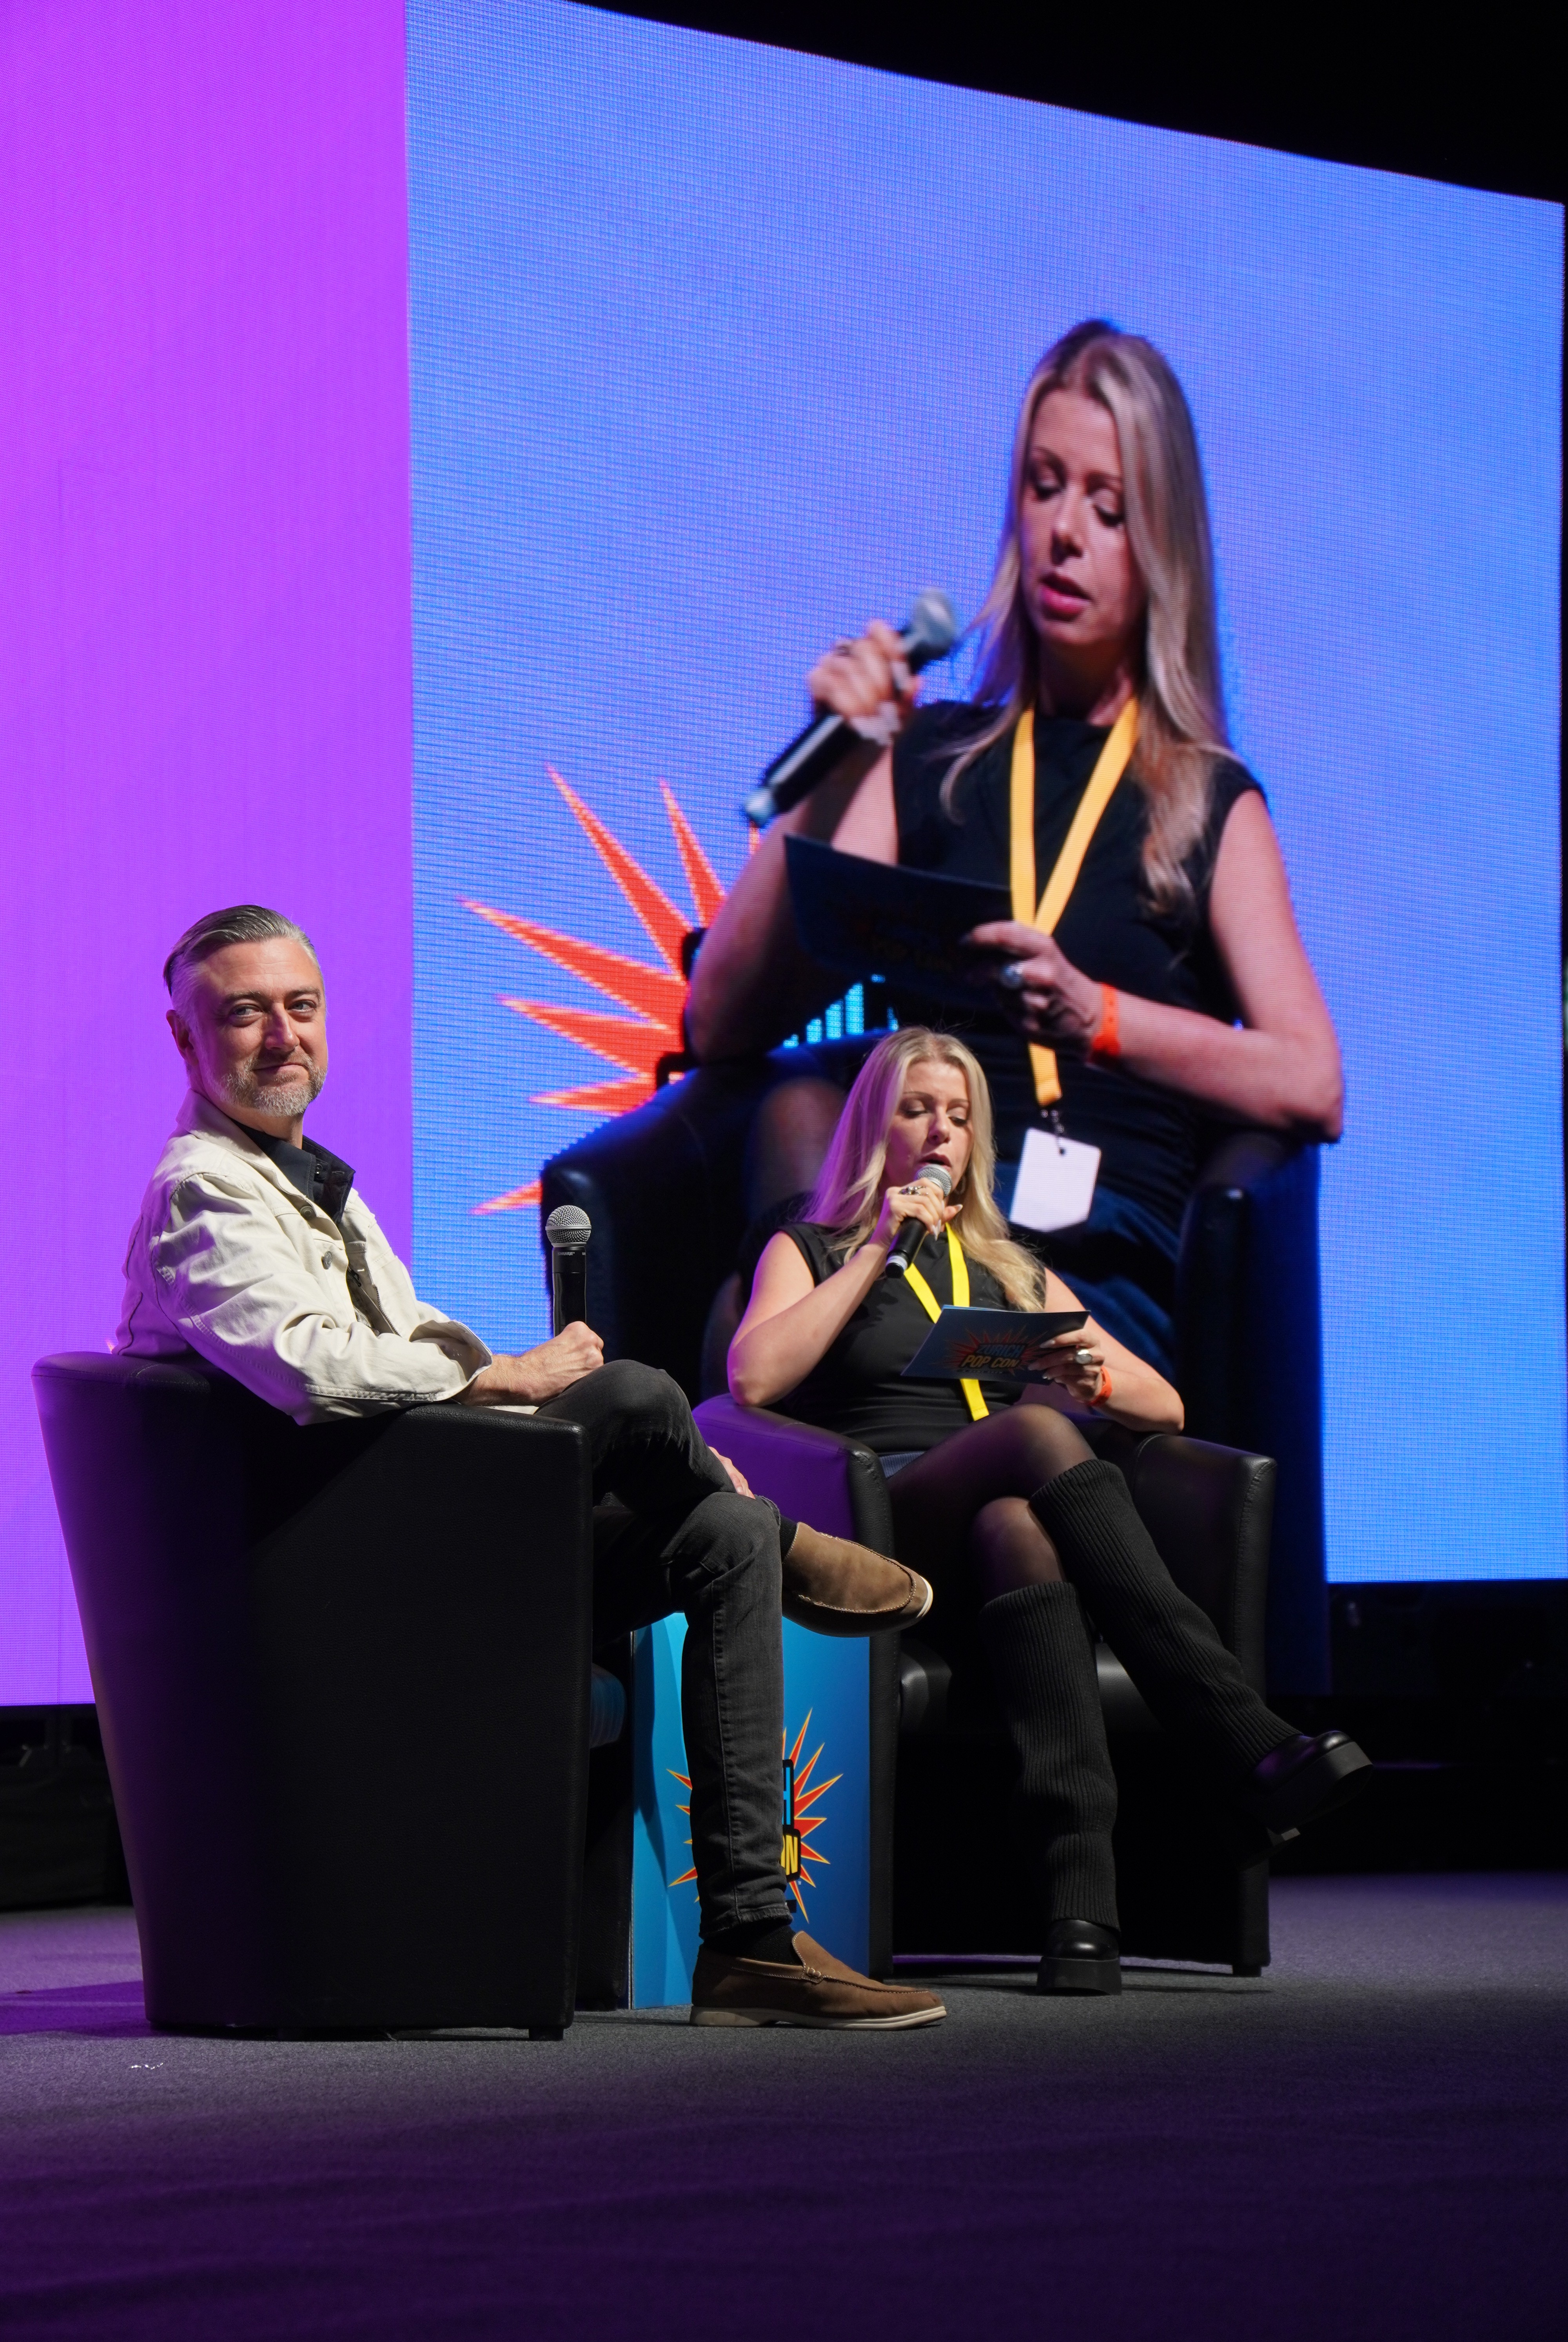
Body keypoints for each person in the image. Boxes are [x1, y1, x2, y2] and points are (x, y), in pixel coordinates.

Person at [117, 903, 944, 2032]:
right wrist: (509, 1377)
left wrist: (515, 1376)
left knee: (724, 1538)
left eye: (300, 1009)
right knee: (646, 1393)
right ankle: (805, 1548)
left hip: (403, 1535)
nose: (281, 1038)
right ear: (185, 1040)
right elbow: (313, 1369)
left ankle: (751, 1944)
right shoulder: (201, 1190)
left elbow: (408, 1340)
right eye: (244, 1015)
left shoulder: (321, 1186)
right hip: (321, 1581)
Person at [688, 319, 1343, 1376]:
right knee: (779, 1223)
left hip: (1092, 1265)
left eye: (1109, 507)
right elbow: (722, 1023)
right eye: (1044, 487)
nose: (1066, 532)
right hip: (920, 1234)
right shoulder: (931, 760)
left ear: (1162, 541)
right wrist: (833, 776)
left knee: (797, 1353)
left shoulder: (1206, 802)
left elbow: (1312, 1080)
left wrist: (1102, 1019)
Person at [728, 1027, 1369, 1994]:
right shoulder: (809, 1245)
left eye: (957, 1115)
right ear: (874, 1126)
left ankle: (1080, 1909)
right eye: (916, 1110)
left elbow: (1167, 1405)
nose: (939, 1132)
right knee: (1032, 1441)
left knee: (1019, 1528)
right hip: (868, 1522)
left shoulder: (1006, 1265)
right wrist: (873, 1253)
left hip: (974, 1533)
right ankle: (1234, 1731)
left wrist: (1087, 1374)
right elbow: (751, 1378)